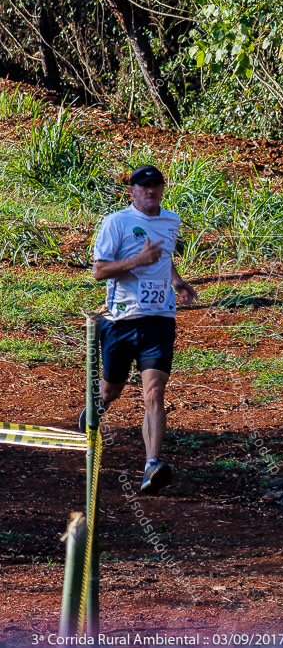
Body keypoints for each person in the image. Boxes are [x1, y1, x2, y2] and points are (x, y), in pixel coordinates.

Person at [85, 164, 197, 494]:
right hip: (121, 320)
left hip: (159, 318)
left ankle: (152, 465)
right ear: (131, 191)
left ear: (163, 188)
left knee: (155, 392)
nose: (150, 191)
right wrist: (138, 261)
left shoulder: (171, 221)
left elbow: (164, 258)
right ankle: (91, 414)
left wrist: (177, 281)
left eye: (156, 185)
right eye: (143, 186)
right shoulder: (116, 222)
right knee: (110, 391)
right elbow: (99, 270)